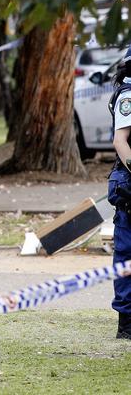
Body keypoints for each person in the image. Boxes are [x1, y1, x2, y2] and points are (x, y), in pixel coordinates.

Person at [106, 46, 131, 339]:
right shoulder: (128, 96)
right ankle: (126, 322)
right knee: (126, 252)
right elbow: (121, 141)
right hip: (128, 181)